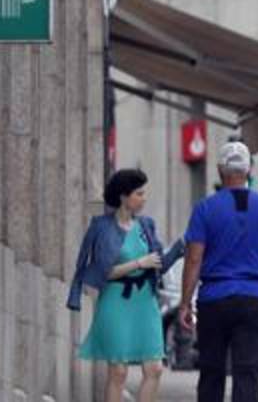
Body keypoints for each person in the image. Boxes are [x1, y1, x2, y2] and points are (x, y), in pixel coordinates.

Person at [178, 141, 258, 402]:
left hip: (213, 299)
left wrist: (185, 303)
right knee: (249, 372)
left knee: (211, 371)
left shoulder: (204, 209)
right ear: (249, 170)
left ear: (220, 170)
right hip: (255, 298)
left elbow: (194, 259)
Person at [68, 169, 184, 402]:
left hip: (145, 302)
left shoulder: (146, 226)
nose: (144, 198)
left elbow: (158, 264)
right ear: (123, 197)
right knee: (118, 372)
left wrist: (180, 248)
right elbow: (102, 271)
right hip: (115, 301)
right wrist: (138, 263)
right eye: (139, 193)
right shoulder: (102, 227)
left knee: (155, 369)